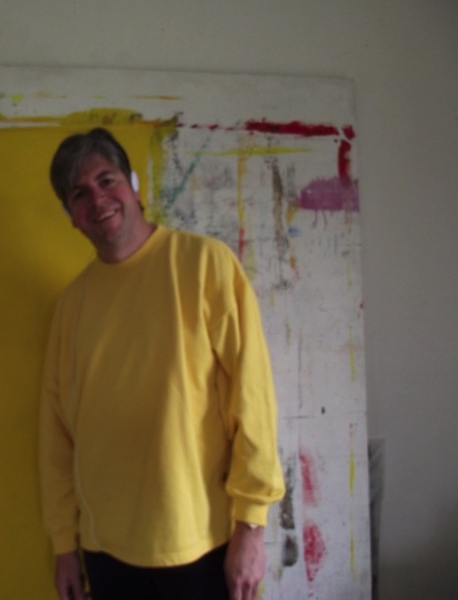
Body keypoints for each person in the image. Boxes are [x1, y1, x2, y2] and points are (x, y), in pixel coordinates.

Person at [38, 128, 285, 600]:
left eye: (107, 180)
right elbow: (56, 436)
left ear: (134, 186)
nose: (98, 199)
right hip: (104, 553)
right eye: (79, 194)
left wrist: (252, 526)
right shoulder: (72, 306)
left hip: (201, 546)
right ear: (71, 216)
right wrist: (64, 545)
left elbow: (252, 401)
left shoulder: (206, 265)